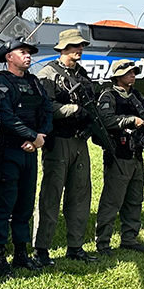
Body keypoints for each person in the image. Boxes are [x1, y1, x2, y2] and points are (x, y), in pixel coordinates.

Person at [33, 29, 99, 264]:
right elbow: (44, 106)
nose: (79, 49)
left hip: (80, 141)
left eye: (80, 46)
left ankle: (76, 247)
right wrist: (71, 110)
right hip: (58, 141)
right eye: (74, 46)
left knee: (80, 195)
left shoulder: (82, 74)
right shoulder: (48, 73)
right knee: (51, 196)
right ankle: (41, 249)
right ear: (62, 49)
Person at [0, 37, 51, 274]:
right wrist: (33, 136)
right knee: (5, 205)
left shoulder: (34, 83)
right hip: (10, 151)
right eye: (22, 51)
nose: (27, 55)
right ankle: (0, 256)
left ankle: (21, 253)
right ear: (8, 57)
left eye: (28, 52)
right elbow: (5, 116)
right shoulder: (2, 84)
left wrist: (40, 136)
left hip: (30, 152)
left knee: (25, 204)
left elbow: (46, 110)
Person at [94, 59, 144, 255]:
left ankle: (129, 238)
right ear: (117, 76)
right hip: (118, 156)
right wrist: (131, 120)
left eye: (134, 72)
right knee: (112, 201)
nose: (133, 75)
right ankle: (103, 243)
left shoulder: (136, 96)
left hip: (136, 155)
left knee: (135, 199)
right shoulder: (109, 95)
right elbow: (106, 119)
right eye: (129, 72)